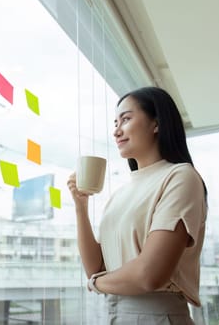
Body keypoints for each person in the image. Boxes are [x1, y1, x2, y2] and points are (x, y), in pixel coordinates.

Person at [67, 87, 207, 324]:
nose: (116, 131)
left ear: (156, 124)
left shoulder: (180, 176)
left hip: (155, 314)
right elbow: (97, 267)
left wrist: (96, 284)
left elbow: (148, 275)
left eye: (126, 119)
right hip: (114, 312)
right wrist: (81, 207)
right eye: (115, 123)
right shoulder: (121, 194)